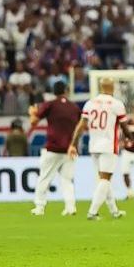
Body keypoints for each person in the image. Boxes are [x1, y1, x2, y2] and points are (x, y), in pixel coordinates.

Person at [68, 77, 132, 220]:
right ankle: (92, 212)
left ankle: (114, 211)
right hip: (109, 145)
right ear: (112, 87)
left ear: (101, 87)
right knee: (105, 180)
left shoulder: (90, 103)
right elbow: (124, 125)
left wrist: (73, 143)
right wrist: (130, 138)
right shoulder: (116, 104)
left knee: (104, 178)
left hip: (94, 145)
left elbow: (81, 125)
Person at [29, 81, 81, 216]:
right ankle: (71, 207)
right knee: (67, 180)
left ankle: (39, 207)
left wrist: (32, 113)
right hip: (70, 149)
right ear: (66, 90)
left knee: (44, 178)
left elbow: (33, 121)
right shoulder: (74, 108)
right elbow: (81, 127)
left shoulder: (50, 105)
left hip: (53, 148)